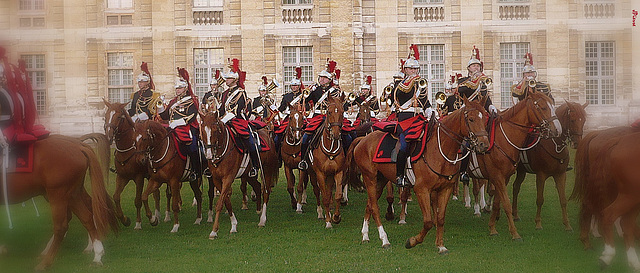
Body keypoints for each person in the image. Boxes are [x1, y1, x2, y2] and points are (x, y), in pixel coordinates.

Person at [390, 44, 434, 188]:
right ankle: (400, 176)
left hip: (419, 118)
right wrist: (411, 81)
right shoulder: (399, 84)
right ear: (405, 70)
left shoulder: (421, 83)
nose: (414, 71)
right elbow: (400, 94)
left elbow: (424, 99)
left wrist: (429, 109)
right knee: (404, 146)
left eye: (415, 69)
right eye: (411, 68)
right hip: (405, 120)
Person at [218, 58, 261, 178]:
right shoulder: (224, 93)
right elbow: (222, 109)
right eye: (226, 78)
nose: (226, 80)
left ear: (235, 80)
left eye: (229, 78)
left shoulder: (241, 93)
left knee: (250, 141)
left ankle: (254, 166)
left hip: (237, 120)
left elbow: (236, 111)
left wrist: (223, 120)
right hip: (224, 121)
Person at [158, 68, 202, 182]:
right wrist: (160, 106)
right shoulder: (173, 101)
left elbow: (192, 115)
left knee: (192, 147)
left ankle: (195, 171)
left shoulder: (192, 100)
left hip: (186, 127)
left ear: (185, 88)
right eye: (177, 88)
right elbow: (164, 116)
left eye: (180, 88)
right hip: (172, 127)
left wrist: (178, 122)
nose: (177, 90)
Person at [297, 59, 342, 171]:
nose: (321, 79)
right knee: (306, 137)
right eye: (320, 77)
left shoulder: (334, 91)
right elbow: (305, 100)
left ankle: (347, 159)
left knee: (347, 135)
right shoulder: (315, 90)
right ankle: (303, 160)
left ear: (329, 80)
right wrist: (307, 92)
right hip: (317, 117)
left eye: (324, 78)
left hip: (331, 118)